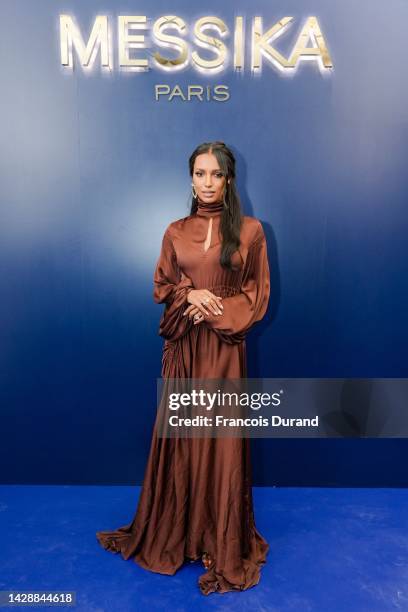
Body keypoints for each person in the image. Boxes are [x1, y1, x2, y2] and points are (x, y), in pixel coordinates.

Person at [96, 141, 271, 595]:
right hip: (185, 350)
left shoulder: (251, 231)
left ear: (229, 180)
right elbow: (162, 285)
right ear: (190, 177)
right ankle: (182, 535)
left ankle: (218, 538)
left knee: (221, 443)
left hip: (225, 350)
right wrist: (188, 295)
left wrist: (212, 309)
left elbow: (256, 296)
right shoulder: (175, 231)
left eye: (215, 174)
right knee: (185, 439)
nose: (207, 183)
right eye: (199, 173)